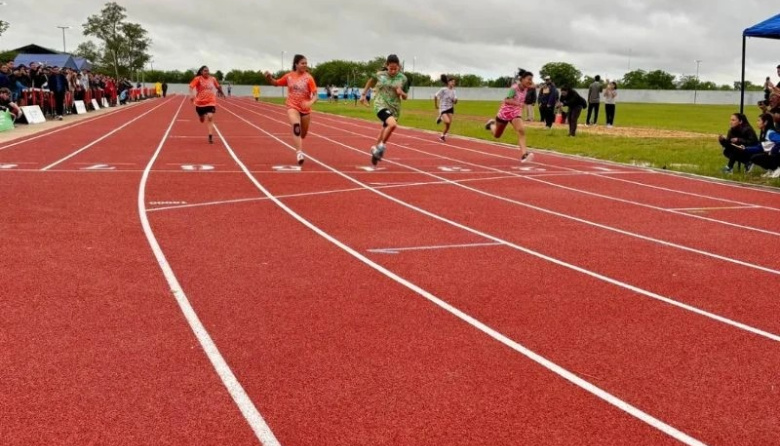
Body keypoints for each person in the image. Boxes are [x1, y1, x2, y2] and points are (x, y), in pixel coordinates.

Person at [264, 54, 318, 166]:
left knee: (303, 134)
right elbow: (276, 83)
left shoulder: (309, 78)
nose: (305, 65)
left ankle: (299, 144)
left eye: (306, 63)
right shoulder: (289, 76)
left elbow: (315, 95)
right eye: (302, 63)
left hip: (305, 109)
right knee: (296, 126)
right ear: (296, 64)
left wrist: (310, 102)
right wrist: (269, 78)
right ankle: (299, 153)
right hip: (292, 106)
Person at [360, 54, 409, 166]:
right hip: (380, 104)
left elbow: (406, 97)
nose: (393, 71)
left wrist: (401, 92)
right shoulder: (380, 75)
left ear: (399, 67)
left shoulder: (403, 78)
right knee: (392, 125)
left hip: (394, 108)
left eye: (395, 69)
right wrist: (363, 95)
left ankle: (375, 150)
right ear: (387, 66)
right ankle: (381, 147)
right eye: (391, 68)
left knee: (384, 130)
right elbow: (370, 81)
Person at [483, 68, 535, 162]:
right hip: (505, 113)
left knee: (521, 130)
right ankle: (491, 125)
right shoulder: (514, 88)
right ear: (522, 79)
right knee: (497, 135)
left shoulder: (527, 87)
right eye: (529, 79)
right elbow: (507, 100)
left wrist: (532, 83)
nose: (531, 81)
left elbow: (533, 85)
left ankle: (524, 155)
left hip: (515, 113)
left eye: (531, 79)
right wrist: (518, 104)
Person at [188, 65, 225, 144]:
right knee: (202, 120)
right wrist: (191, 95)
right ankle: (201, 116)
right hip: (200, 103)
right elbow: (191, 86)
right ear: (201, 72)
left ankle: (210, 136)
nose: (207, 72)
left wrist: (222, 92)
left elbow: (218, 86)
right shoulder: (198, 79)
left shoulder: (213, 79)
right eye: (205, 71)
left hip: (210, 101)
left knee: (210, 117)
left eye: (207, 70)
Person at [748, 113, 780, 178]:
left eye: (759, 120)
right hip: (773, 155)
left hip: (777, 155)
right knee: (755, 157)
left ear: (765, 122)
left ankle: (777, 168)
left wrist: (773, 150)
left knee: (757, 157)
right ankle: (771, 169)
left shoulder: (770, 133)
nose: (757, 122)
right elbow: (761, 147)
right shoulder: (763, 132)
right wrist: (746, 148)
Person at [434, 74, 457, 141]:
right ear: (448, 82)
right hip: (443, 108)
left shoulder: (454, 91)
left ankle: (442, 136)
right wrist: (436, 105)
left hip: (450, 108)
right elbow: (435, 96)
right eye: (452, 82)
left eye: (454, 82)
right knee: (447, 121)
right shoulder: (443, 90)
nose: (453, 83)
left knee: (448, 124)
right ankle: (440, 117)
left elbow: (455, 101)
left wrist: (455, 100)